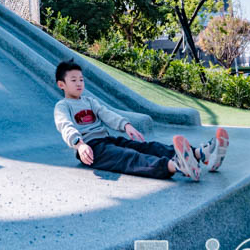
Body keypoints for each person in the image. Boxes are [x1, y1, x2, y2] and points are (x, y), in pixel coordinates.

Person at [53, 60, 228, 180]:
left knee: (146, 147)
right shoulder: (62, 106)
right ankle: (176, 166)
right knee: (129, 157)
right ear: (61, 84)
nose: (79, 83)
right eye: (74, 80)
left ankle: (199, 153)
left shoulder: (89, 101)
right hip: (91, 149)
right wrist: (79, 144)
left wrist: (125, 125)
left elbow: (107, 114)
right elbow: (65, 126)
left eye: (81, 80)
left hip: (107, 140)